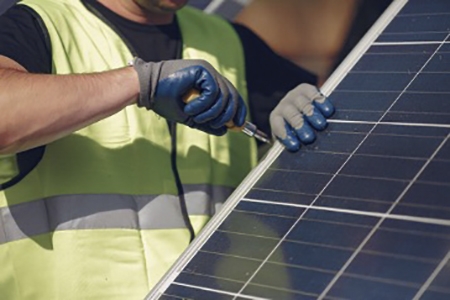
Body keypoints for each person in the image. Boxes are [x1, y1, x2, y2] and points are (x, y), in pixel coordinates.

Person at [0, 0, 334, 299]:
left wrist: (308, 120)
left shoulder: (233, 41)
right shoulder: (36, 25)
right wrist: (139, 83)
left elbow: (347, 165)